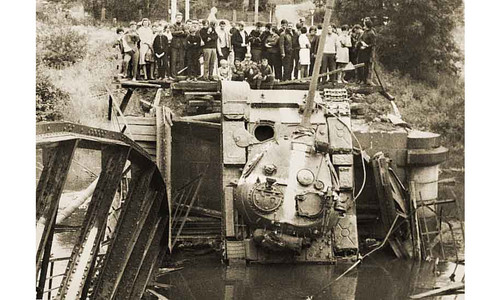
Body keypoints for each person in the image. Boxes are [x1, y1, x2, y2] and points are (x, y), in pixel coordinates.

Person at [357, 19, 376, 85]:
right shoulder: (364, 32)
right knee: (359, 65)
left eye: (364, 24)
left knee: (365, 66)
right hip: (361, 50)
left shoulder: (371, 33)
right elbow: (360, 39)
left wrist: (367, 46)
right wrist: (361, 43)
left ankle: (364, 80)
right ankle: (360, 79)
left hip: (367, 52)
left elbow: (373, 44)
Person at [171, 13, 188, 77]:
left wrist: (177, 33)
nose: (179, 19)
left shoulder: (184, 25)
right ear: (176, 18)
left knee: (181, 60)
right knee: (173, 60)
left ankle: (181, 74)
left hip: (182, 45)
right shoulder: (173, 25)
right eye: (177, 18)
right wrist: (181, 32)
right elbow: (173, 33)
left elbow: (186, 33)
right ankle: (173, 75)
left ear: (182, 18)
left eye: (180, 18)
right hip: (174, 45)